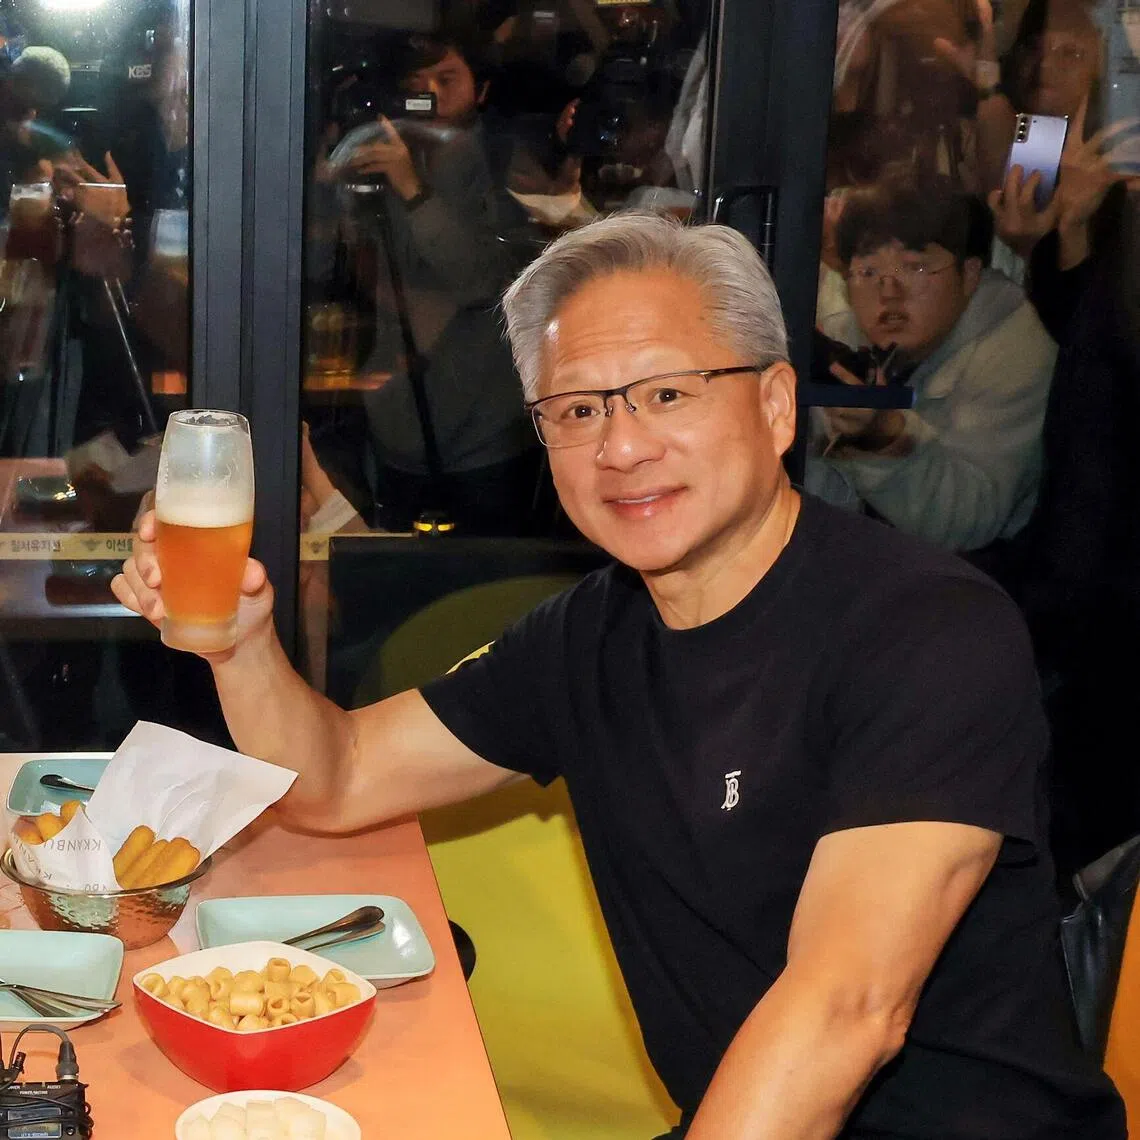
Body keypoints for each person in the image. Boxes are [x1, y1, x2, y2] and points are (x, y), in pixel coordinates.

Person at [113, 212, 1124, 1139]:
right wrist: (237, 646)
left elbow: (846, 1010)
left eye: (668, 394)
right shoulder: (588, 638)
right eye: (579, 410)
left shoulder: (924, 632)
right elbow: (337, 773)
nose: (624, 445)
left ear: (775, 406)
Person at [808, 174, 1055, 564]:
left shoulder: (1015, 349)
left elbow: (971, 521)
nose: (889, 292)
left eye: (916, 268)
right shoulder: (844, 330)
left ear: (970, 275)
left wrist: (885, 438)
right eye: (868, 272)